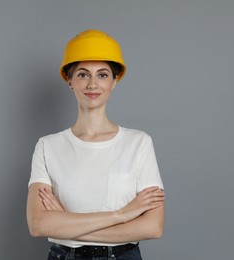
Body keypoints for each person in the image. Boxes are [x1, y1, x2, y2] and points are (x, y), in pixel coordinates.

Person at [26, 29, 165, 260]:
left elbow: (152, 227)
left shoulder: (138, 143)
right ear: (69, 81)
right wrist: (121, 215)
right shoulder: (47, 146)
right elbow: (39, 224)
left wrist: (67, 225)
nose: (92, 84)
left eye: (102, 74)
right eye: (82, 74)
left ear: (114, 80)